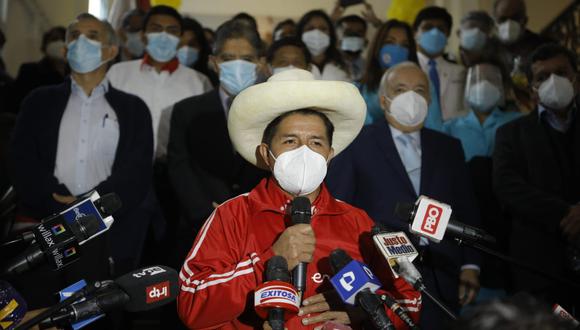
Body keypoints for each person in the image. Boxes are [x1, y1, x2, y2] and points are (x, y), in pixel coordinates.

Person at [177, 68, 421, 329]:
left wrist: (365, 311)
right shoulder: (232, 214)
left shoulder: (358, 221)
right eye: (290, 141)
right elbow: (191, 305)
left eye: (316, 143)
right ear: (266, 153)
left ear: (329, 155)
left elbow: (410, 303)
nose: (304, 152)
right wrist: (268, 261)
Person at [8, 12, 153, 309]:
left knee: (91, 313)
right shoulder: (39, 100)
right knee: (38, 310)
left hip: (106, 232)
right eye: (74, 37)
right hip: (44, 226)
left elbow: (136, 172)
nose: (81, 42)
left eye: (92, 36)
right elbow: (21, 160)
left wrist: (90, 206)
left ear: (111, 51)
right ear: (64, 50)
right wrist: (57, 204)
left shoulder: (133, 108)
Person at [327, 62, 482, 330]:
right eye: (401, 89)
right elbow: (338, 210)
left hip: (443, 275)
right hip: (381, 276)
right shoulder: (356, 144)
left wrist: (471, 265)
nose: (411, 97)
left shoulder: (449, 147)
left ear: (430, 100)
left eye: (419, 90)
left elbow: (467, 207)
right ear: (384, 99)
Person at [167, 19, 267, 267]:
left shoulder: (273, 113)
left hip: (258, 226)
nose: (237, 65)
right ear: (213, 62)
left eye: (246, 58)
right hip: (199, 225)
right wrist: (204, 210)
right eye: (228, 57)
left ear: (260, 63)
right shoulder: (186, 110)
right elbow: (179, 165)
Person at [493, 44, 580, 313]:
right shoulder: (511, 133)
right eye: (542, 77)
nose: (553, 81)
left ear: (576, 78)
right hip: (539, 265)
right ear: (532, 87)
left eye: (561, 72)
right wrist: (567, 214)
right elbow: (507, 187)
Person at [107, 5, 212, 160]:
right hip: (124, 163)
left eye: (172, 30)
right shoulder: (118, 73)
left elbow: (204, 133)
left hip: (175, 170)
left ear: (180, 39)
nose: (164, 36)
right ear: (143, 35)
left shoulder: (198, 81)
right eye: (156, 29)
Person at [359, 19, 418, 125]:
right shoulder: (359, 90)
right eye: (390, 42)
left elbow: (433, 129)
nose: (397, 49)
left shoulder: (422, 86)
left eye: (404, 45)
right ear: (378, 46)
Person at [414, 6, 466, 121]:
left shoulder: (460, 71)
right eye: (427, 27)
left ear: (448, 35)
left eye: (441, 29)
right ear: (415, 33)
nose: (435, 33)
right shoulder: (405, 69)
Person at [10, 26, 68, 113]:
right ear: (45, 46)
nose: (60, 43)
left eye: (64, 40)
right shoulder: (29, 71)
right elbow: (16, 105)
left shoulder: (77, 76)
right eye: (54, 39)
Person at [492, 0, 552, 66]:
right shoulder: (489, 50)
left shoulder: (544, 47)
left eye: (515, 18)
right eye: (503, 19)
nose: (509, 24)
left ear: (525, 21)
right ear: (495, 23)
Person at [297, 10, 350, 82]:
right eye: (310, 28)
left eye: (323, 28)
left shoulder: (343, 65)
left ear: (330, 34)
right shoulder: (294, 65)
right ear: (300, 33)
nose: (317, 33)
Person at [177, 17, 218, 87]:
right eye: (179, 44)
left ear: (201, 46)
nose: (185, 49)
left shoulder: (209, 79)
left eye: (192, 44)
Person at [336, 15, 368, 82]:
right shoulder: (330, 66)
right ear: (337, 39)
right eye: (348, 33)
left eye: (359, 33)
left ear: (365, 40)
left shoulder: (370, 68)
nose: (354, 37)